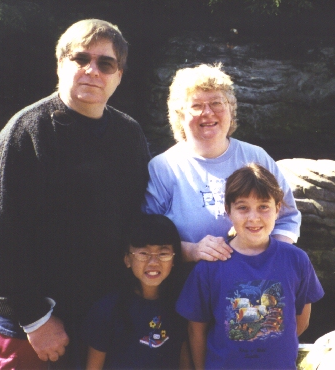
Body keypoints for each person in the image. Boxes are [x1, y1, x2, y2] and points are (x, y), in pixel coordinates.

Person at [0, 19, 150, 369]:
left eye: (106, 63)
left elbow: (137, 220)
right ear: (60, 65)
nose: (92, 70)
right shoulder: (25, 133)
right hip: (27, 328)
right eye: (80, 58)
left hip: (98, 318)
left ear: (118, 75)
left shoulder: (128, 135)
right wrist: (36, 319)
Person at [142, 63, 301, 263]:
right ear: (180, 116)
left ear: (230, 109)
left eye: (216, 103)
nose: (208, 112)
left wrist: (273, 259)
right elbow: (147, 233)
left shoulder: (256, 157)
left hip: (253, 280)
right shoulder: (163, 167)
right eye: (197, 106)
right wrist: (192, 251)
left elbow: (288, 217)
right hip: (189, 281)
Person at [176, 163, 324, 370]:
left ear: (277, 209)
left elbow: (301, 321)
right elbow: (196, 330)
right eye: (243, 207)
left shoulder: (297, 260)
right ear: (228, 210)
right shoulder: (210, 266)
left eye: (263, 206)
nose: (253, 217)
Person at [84, 214, 191, 369]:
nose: (153, 262)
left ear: (174, 259)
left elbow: (184, 363)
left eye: (163, 253)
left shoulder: (180, 305)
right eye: (143, 254)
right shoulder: (107, 310)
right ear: (127, 259)